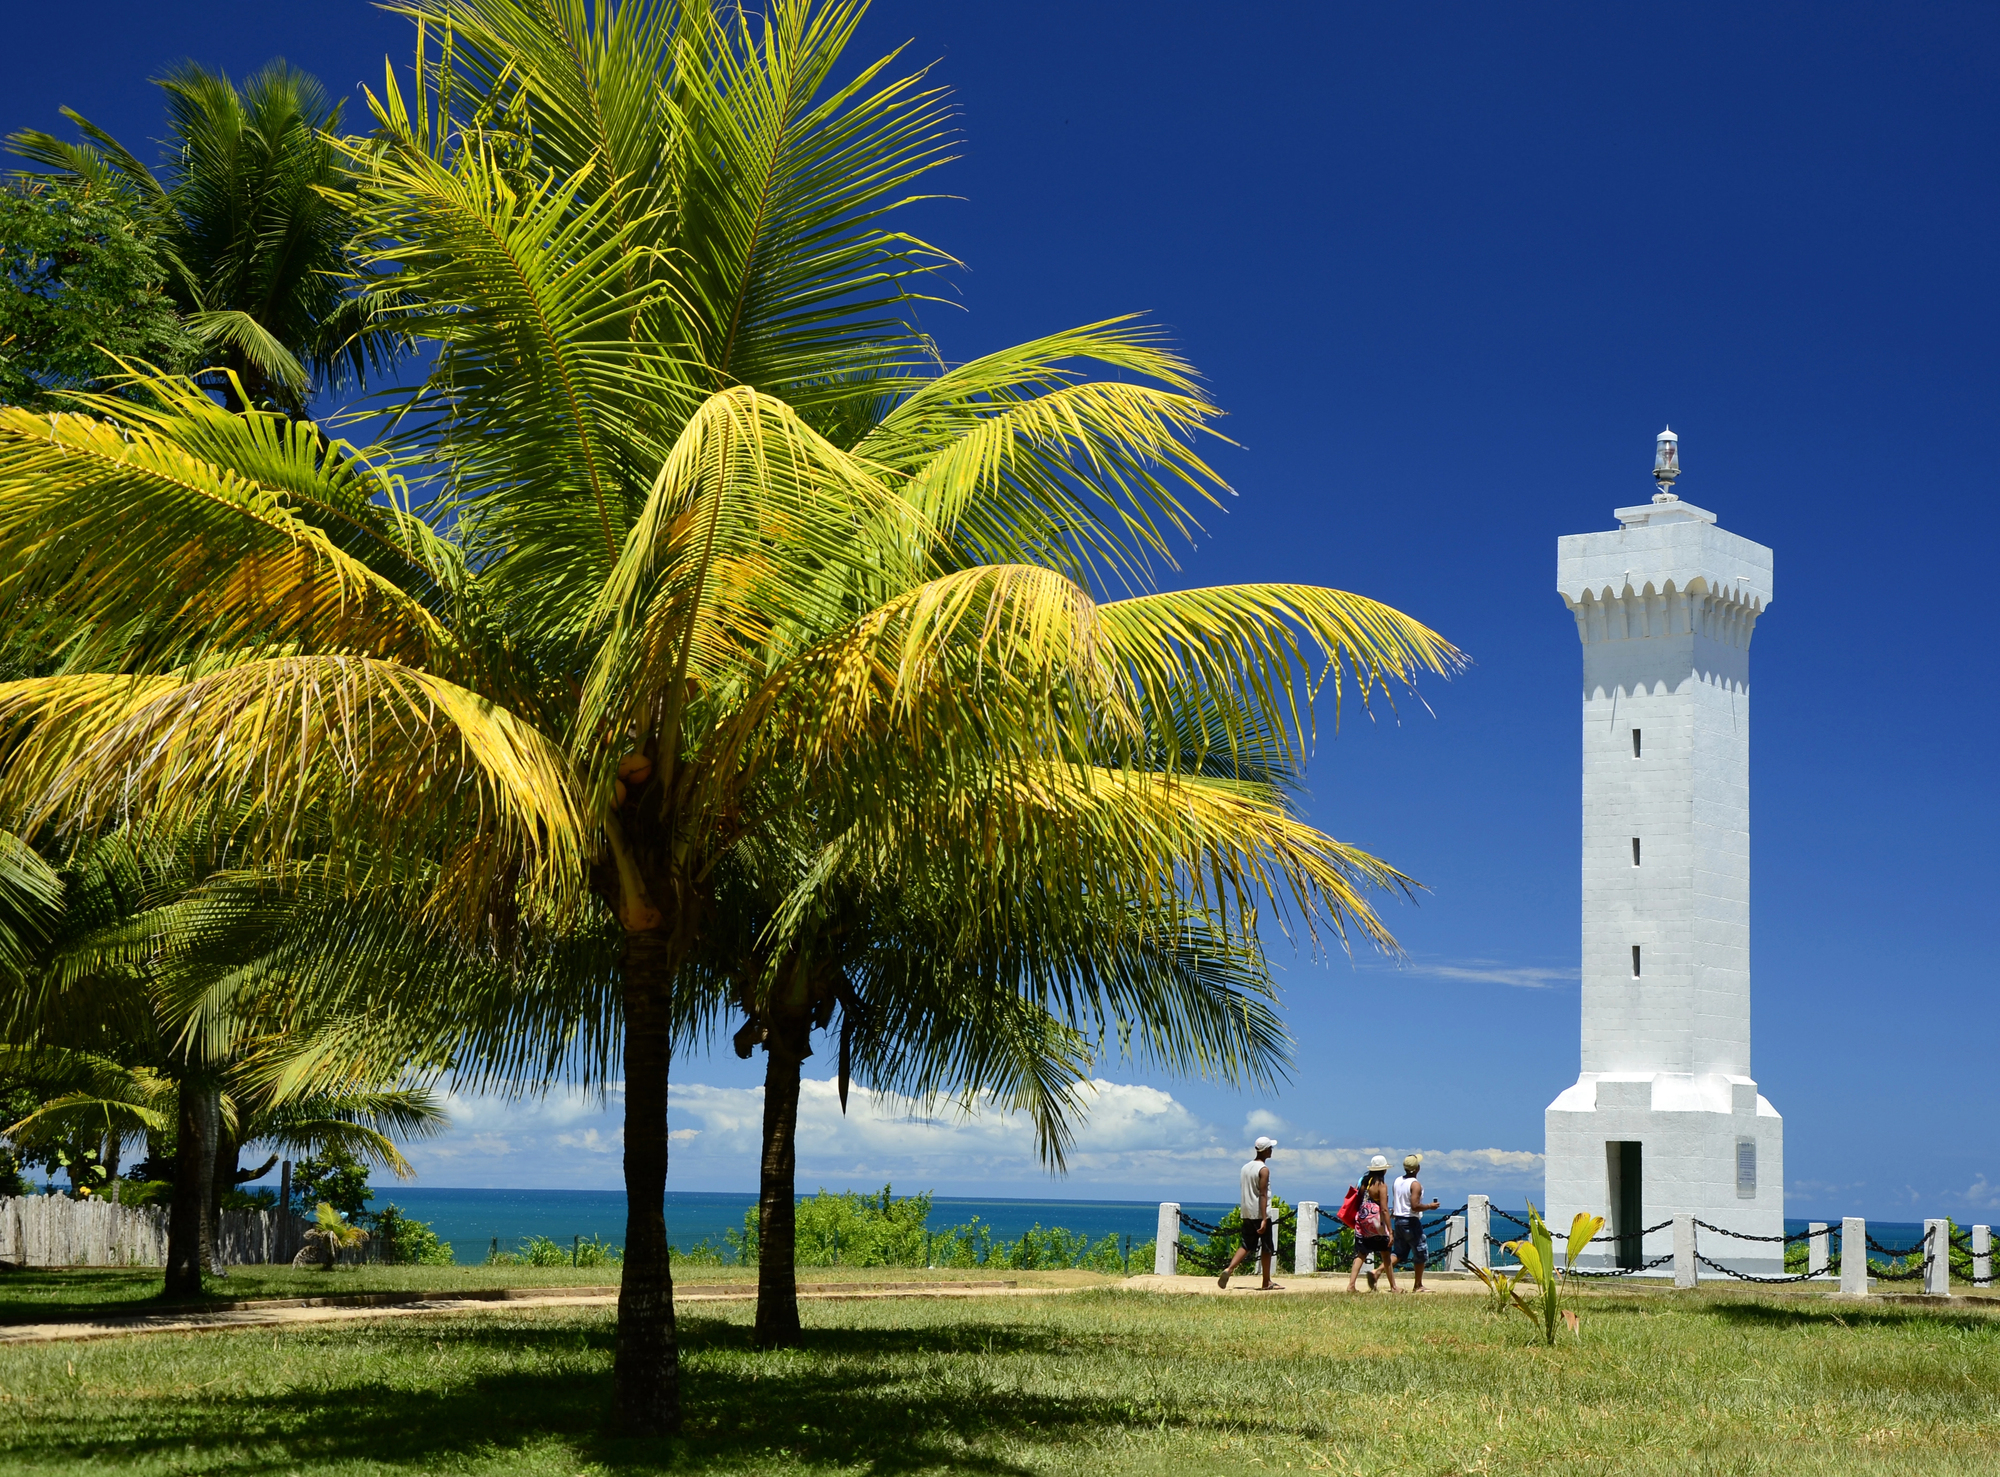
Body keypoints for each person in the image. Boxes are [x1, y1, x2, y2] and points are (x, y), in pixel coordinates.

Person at [1218, 1136, 1282, 1290]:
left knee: (1246, 1244)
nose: (1271, 1151)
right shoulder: (1264, 1170)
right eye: (1270, 1148)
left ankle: (1230, 1268)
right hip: (1259, 1213)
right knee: (1267, 1247)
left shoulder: (1245, 1167)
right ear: (1265, 1150)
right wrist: (1264, 1219)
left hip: (1246, 1211)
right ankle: (1266, 1281)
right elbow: (1262, 1194)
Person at [1346, 1154, 1398, 1293]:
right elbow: (1385, 1209)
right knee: (1386, 1254)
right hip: (1377, 1224)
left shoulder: (1364, 1182)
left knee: (1361, 1253)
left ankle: (1351, 1285)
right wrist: (1390, 1231)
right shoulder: (1381, 1185)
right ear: (1384, 1170)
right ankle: (1393, 1287)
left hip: (1363, 1220)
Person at [1391, 1153, 1439, 1292]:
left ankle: (1377, 1272)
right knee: (1420, 1252)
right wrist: (1430, 1206)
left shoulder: (1397, 1180)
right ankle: (1418, 1285)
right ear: (1417, 1168)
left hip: (1398, 1219)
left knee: (1398, 1253)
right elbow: (1415, 1205)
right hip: (1411, 1221)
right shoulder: (1415, 1185)